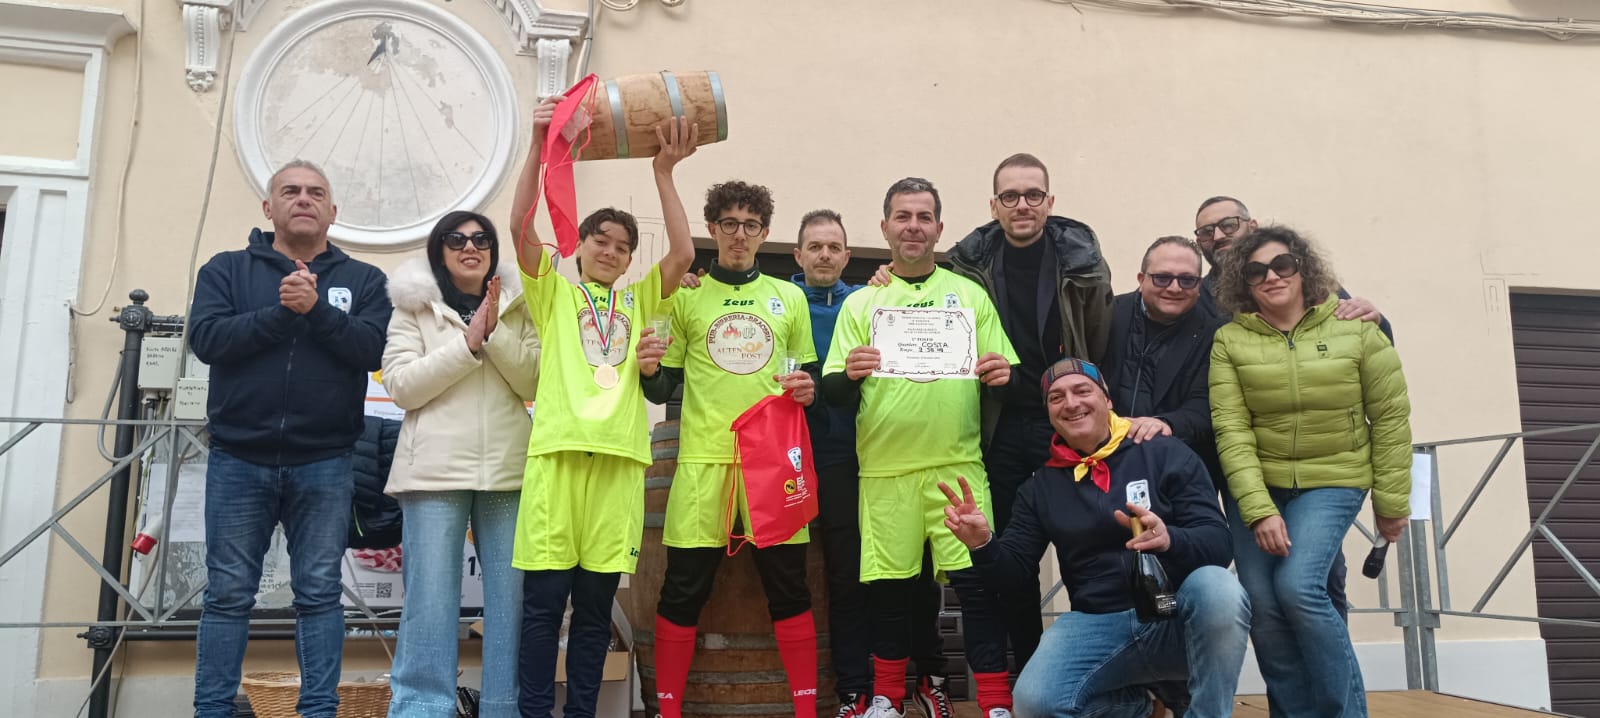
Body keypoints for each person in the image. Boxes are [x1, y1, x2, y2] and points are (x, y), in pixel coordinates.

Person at [507, 98, 698, 718]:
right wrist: (539, 142)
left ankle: (582, 713)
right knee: (543, 609)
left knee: (593, 611)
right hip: (557, 460)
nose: (612, 250)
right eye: (601, 239)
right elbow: (518, 228)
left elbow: (683, 257)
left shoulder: (643, 301)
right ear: (582, 244)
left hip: (618, 465)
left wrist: (663, 173)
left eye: (623, 245)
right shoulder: (554, 293)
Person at [187, 159, 392, 718]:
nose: (303, 199)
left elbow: (373, 351)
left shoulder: (365, 281)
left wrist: (316, 310)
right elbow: (205, 338)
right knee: (228, 595)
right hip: (237, 458)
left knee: (320, 596)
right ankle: (211, 709)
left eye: (315, 192)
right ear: (268, 207)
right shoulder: (226, 270)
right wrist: (282, 314)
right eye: (290, 191)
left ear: (332, 211)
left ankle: (319, 711)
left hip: (325, 462)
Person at [942, 358, 1249, 718]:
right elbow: (1012, 574)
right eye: (1056, 397)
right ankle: (1138, 706)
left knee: (1219, 588)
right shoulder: (1040, 486)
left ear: (1108, 401)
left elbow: (1218, 543)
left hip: (1173, 620)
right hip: (1097, 625)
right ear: (1049, 414)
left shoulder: (1164, 452)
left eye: (1082, 390)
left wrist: (1170, 539)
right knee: (1034, 705)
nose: (1071, 403)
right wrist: (982, 544)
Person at [823, 177, 1019, 718]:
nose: (913, 226)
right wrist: (852, 375)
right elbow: (834, 392)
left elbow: (1008, 372)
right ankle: (887, 697)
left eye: (924, 216)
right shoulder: (864, 300)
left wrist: (1004, 372)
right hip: (885, 470)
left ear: (939, 227)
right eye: (902, 216)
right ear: (884, 225)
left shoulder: (969, 296)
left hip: (956, 465)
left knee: (976, 587)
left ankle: (996, 704)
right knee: (888, 592)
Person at [1209, 225, 1412, 718]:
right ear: (1243, 281)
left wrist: (1392, 505)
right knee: (1263, 602)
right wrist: (1258, 511)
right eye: (1257, 271)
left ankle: (1345, 712)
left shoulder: (1357, 328)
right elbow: (1231, 430)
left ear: (1304, 269)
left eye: (1283, 265)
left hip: (1334, 478)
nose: (1272, 277)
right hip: (1258, 485)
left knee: (1299, 588)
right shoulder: (1230, 340)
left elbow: (1389, 418)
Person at [637, 181, 821, 718]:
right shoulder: (685, 296)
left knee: (790, 587)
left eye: (750, 225)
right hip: (702, 463)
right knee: (683, 590)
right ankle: (667, 711)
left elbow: (802, 374)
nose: (739, 235)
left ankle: (807, 711)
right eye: (728, 224)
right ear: (712, 228)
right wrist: (647, 368)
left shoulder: (788, 298)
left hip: (771, 468)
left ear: (765, 233)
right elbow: (660, 388)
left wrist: (807, 388)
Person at [946, 153, 1115, 670]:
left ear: (1050, 201)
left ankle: (1097, 671)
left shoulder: (1082, 260)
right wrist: (885, 276)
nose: (1023, 205)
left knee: (1088, 546)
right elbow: (921, 296)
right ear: (993, 204)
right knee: (1012, 559)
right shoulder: (964, 263)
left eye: (1033, 195)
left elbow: (1099, 344)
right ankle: (1030, 674)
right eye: (1011, 196)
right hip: (995, 426)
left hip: (1065, 423)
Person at [790, 210, 953, 718]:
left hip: (881, 455)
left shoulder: (871, 298)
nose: (823, 255)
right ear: (797, 256)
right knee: (846, 576)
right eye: (813, 247)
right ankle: (856, 690)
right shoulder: (783, 300)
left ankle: (925, 675)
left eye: (833, 247)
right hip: (821, 458)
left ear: (848, 255)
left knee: (913, 571)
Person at [381, 211, 541, 717]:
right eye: (456, 239)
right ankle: (421, 709)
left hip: (511, 473)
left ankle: (502, 707)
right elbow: (402, 385)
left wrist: (494, 333)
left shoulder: (521, 305)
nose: (470, 247)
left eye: (482, 239)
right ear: (439, 249)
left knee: (512, 605)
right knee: (429, 604)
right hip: (432, 473)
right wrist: (468, 340)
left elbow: (536, 382)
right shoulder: (414, 308)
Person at [1100, 236, 1227, 487]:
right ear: (1141, 279)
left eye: (1186, 279)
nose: (1174, 288)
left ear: (1199, 284)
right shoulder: (1106, 315)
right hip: (1103, 460)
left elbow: (1209, 405)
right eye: (1162, 278)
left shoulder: (1216, 334)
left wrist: (1165, 423)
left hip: (1177, 470)